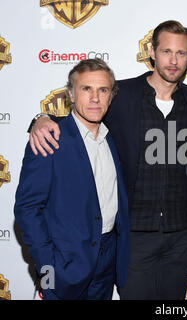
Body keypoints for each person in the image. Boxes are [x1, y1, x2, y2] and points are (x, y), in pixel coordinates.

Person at [28, 20, 187, 300]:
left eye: (181, 53)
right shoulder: (122, 95)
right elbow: (85, 116)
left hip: (181, 237)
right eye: (166, 51)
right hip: (135, 236)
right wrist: (41, 119)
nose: (173, 60)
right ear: (152, 51)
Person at [14, 58, 129, 300]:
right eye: (86, 89)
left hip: (106, 264)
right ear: (71, 95)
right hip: (62, 266)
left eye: (103, 90)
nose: (95, 98)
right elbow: (27, 209)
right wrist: (48, 271)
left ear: (111, 96)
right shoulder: (50, 139)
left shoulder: (112, 138)